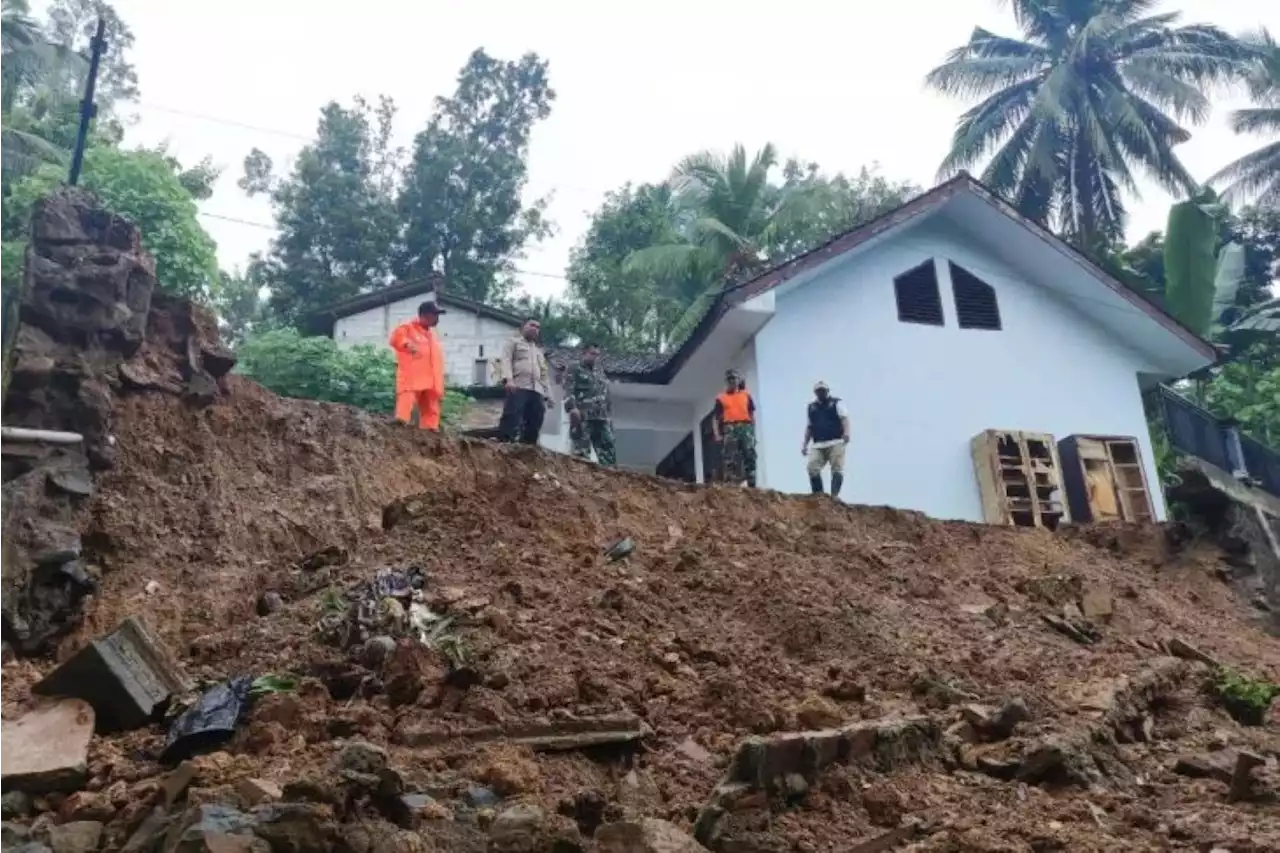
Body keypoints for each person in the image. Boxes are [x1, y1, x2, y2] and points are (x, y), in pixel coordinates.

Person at [388, 301, 446, 431]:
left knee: (431, 407)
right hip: (412, 377)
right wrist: (406, 345)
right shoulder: (408, 328)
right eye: (435, 315)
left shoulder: (431, 335)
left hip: (431, 381)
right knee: (406, 400)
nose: (437, 318)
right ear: (425, 315)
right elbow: (396, 339)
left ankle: (430, 430)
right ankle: (400, 424)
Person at [498, 317, 552, 444]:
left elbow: (544, 373)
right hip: (519, 386)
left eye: (538, 327)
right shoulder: (513, 342)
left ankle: (529, 446)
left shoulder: (539, 351)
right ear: (523, 327)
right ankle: (505, 443)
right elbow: (505, 360)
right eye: (532, 325)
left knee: (536, 418)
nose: (535, 329)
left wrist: (549, 394)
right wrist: (509, 380)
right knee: (512, 415)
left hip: (536, 389)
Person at [564, 342, 616, 466]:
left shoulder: (600, 372)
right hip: (583, 415)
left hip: (601, 416)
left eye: (598, 355)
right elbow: (568, 389)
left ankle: (609, 477)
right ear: (584, 353)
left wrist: (609, 416)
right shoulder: (574, 368)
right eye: (592, 354)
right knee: (581, 453)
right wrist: (572, 408)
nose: (595, 357)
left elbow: (606, 394)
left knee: (608, 448)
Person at [802, 381, 850, 497]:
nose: (821, 393)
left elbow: (844, 418)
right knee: (812, 467)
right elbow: (809, 426)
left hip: (836, 441)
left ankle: (834, 496)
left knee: (837, 468)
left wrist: (847, 433)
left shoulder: (836, 403)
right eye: (818, 391)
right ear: (815, 393)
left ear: (827, 391)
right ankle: (819, 496)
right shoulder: (811, 407)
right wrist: (805, 444)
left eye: (823, 390)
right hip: (818, 444)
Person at [711, 369, 757, 488]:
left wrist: (753, 430)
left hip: (746, 427)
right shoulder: (721, 398)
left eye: (734, 379)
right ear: (726, 382)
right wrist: (717, 434)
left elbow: (751, 413)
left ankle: (752, 483)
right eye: (729, 379)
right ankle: (729, 483)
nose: (732, 381)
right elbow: (716, 418)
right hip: (730, 428)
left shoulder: (746, 395)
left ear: (738, 380)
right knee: (729, 457)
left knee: (750, 454)